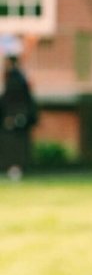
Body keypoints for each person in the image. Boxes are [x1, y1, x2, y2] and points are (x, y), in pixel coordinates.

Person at [0, 50, 38, 180]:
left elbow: (11, 100)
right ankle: (16, 167)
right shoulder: (19, 78)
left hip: (15, 117)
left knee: (14, 144)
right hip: (20, 116)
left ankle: (15, 168)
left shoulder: (14, 80)